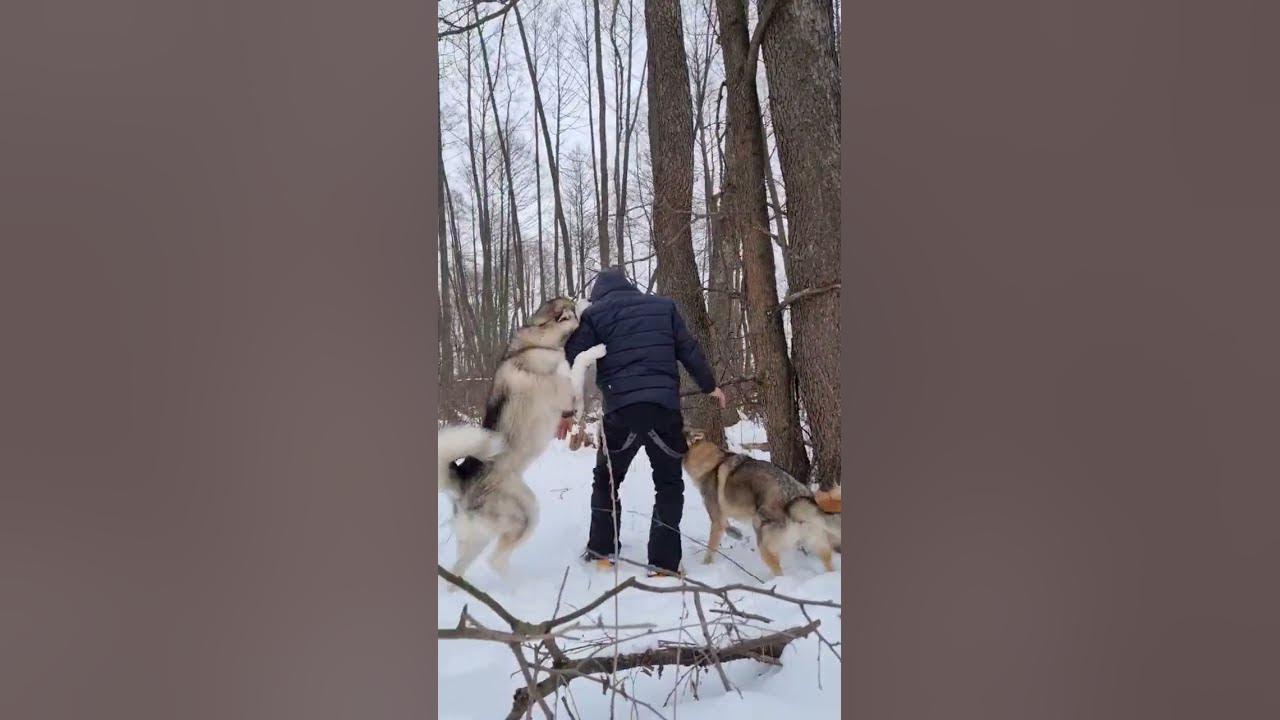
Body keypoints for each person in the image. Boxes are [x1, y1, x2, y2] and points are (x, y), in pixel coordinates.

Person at [563, 267, 727, 577]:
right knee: (668, 484)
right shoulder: (663, 307)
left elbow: (572, 355)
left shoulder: (595, 315)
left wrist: (563, 406)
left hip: (621, 412)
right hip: (664, 410)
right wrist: (709, 386)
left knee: (607, 481)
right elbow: (689, 350)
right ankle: (664, 563)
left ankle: (602, 552)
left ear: (598, 295)